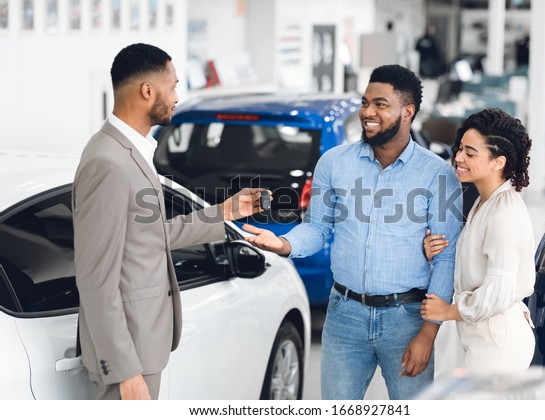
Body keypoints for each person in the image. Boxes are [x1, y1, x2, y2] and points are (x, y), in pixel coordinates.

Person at [243, 64, 462, 399]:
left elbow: (446, 259)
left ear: (408, 112)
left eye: (380, 104)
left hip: (407, 318)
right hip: (345, 315)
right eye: (364, 103)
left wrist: (428, 335)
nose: (367, 112)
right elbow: (317, 228)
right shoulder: (334, 162)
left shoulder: (437, 175)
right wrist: (285, 243)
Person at [73, 43, 265, 400]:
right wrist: (125, 370)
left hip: (143, 345)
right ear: (148, 91)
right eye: (173, 85)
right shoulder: (108, 162)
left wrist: (224, 212)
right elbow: (95, 278)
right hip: (128, 356)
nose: (178, 95)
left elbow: (147, 236)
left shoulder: (129, 151)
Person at [421, 108, 535, 375]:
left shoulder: (504, 210)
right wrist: (433, 253)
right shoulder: (483, 203)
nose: (458, 157)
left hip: (498, 342)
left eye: (470, 153)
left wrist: (447, 312)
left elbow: (498, 291)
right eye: (460, 148)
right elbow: (474, 267)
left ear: (498, 162)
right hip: (482, 337)